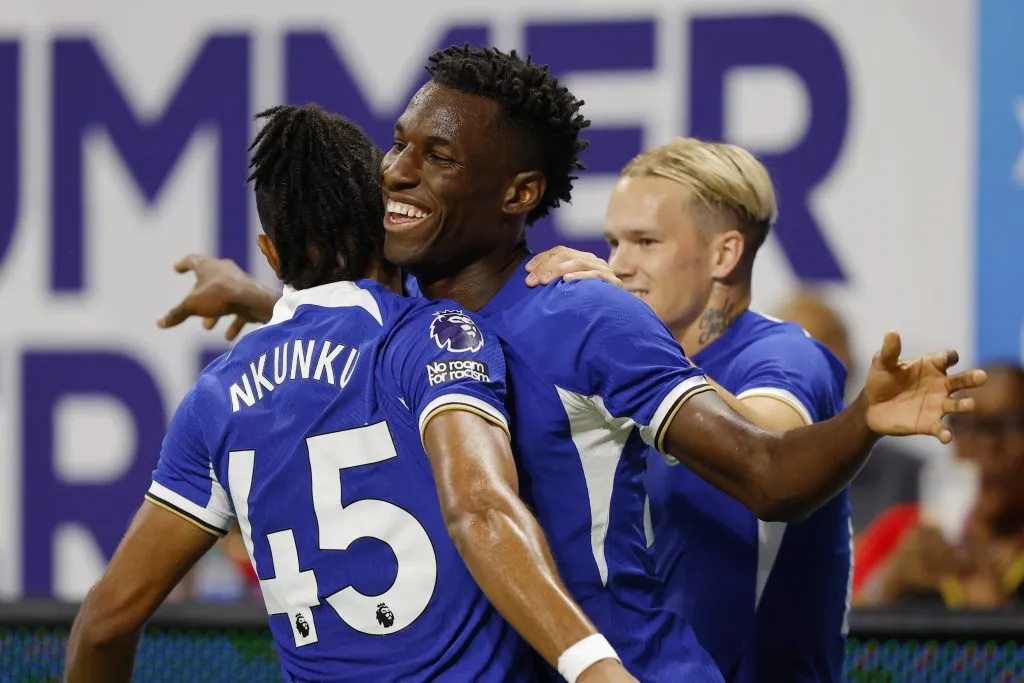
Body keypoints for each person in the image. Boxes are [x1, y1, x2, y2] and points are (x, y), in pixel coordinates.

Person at [158, 45, 983, 682]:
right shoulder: (406, 317)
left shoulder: (583, 313)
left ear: (520, 194)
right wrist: (265, 295)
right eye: (399, 144)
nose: (397, 171)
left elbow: (766, 471)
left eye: (436, 157)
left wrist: (863, 420)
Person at [66, 104, 634, 683]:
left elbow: (106, 623)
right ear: (383, 217)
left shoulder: (213, 400)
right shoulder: (434, 337)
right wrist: (597, 672)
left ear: (271, 252)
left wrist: (255, 296)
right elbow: (479, 507)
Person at [600, 138, 846, 682]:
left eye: (645, 241)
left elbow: (770, 452)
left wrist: (624, 347)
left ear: (724, 254)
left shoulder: (787, 356)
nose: (617, 266)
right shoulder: (616, 366)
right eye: (613, 242)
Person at [855, 363, 1024, 608]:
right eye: (969, 424)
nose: (988, 445)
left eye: (1012, 425)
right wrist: (887, 583)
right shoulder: (901, 531)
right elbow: (829, 630)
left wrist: (993, 611)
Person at [775, 291, 923, 533]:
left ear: (851, 363)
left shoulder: (906, 474)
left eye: (826, 350)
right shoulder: (745, 469)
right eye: (795, 356)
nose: (813, 372)